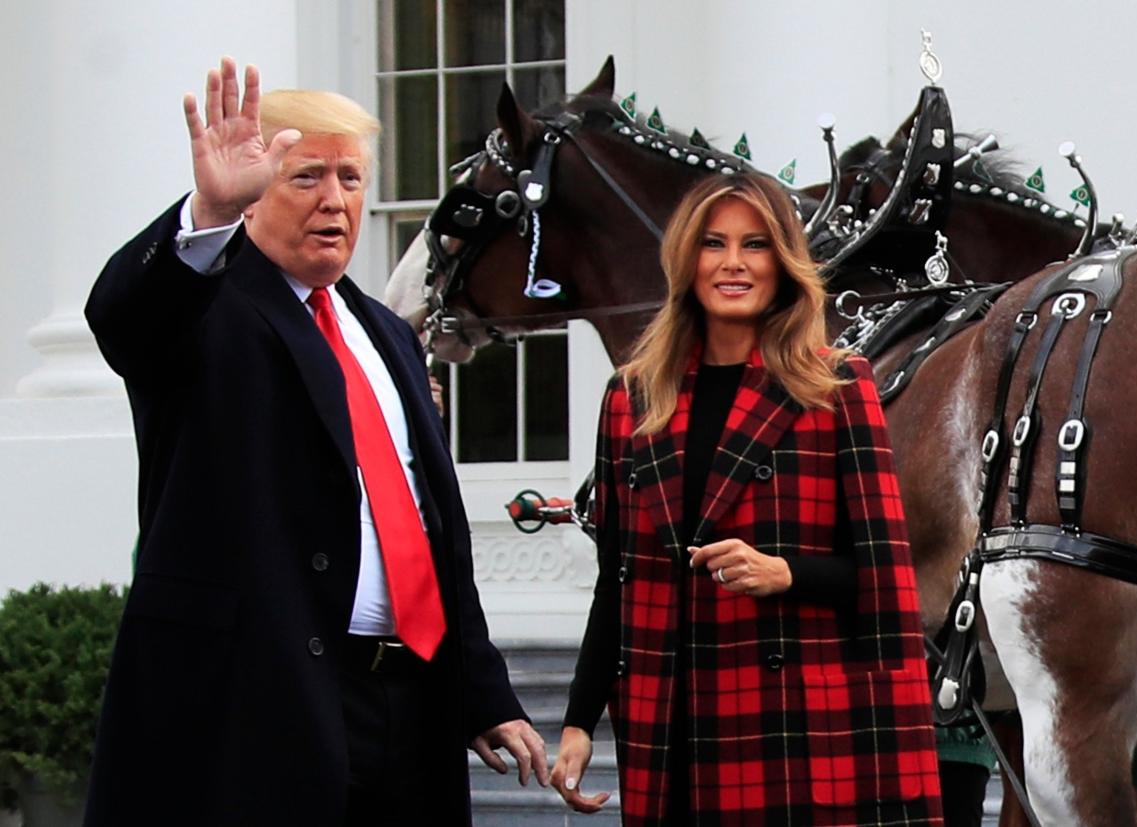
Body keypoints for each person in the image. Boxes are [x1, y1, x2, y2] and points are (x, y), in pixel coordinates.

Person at [84, 57, 546, 825]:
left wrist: (480, 689)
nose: (335, 200)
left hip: (407, 702)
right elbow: (124, 317)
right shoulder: (206, 308)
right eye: (306, 177)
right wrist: (205, 215)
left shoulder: (387, 333)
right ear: (253, 183)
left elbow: (431, 526)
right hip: (256, 699)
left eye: (351, 178)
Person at [549, 173, 944, 824]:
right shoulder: (633, 397)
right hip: (669, 722)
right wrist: (578, 720)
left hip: (789, 728)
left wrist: (785, 571)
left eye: (755, 245)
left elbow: (885, 576)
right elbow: (617, 581)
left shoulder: (838, 386)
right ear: (687, 261)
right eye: (714, 244)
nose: (733, 263)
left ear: (782, 263)